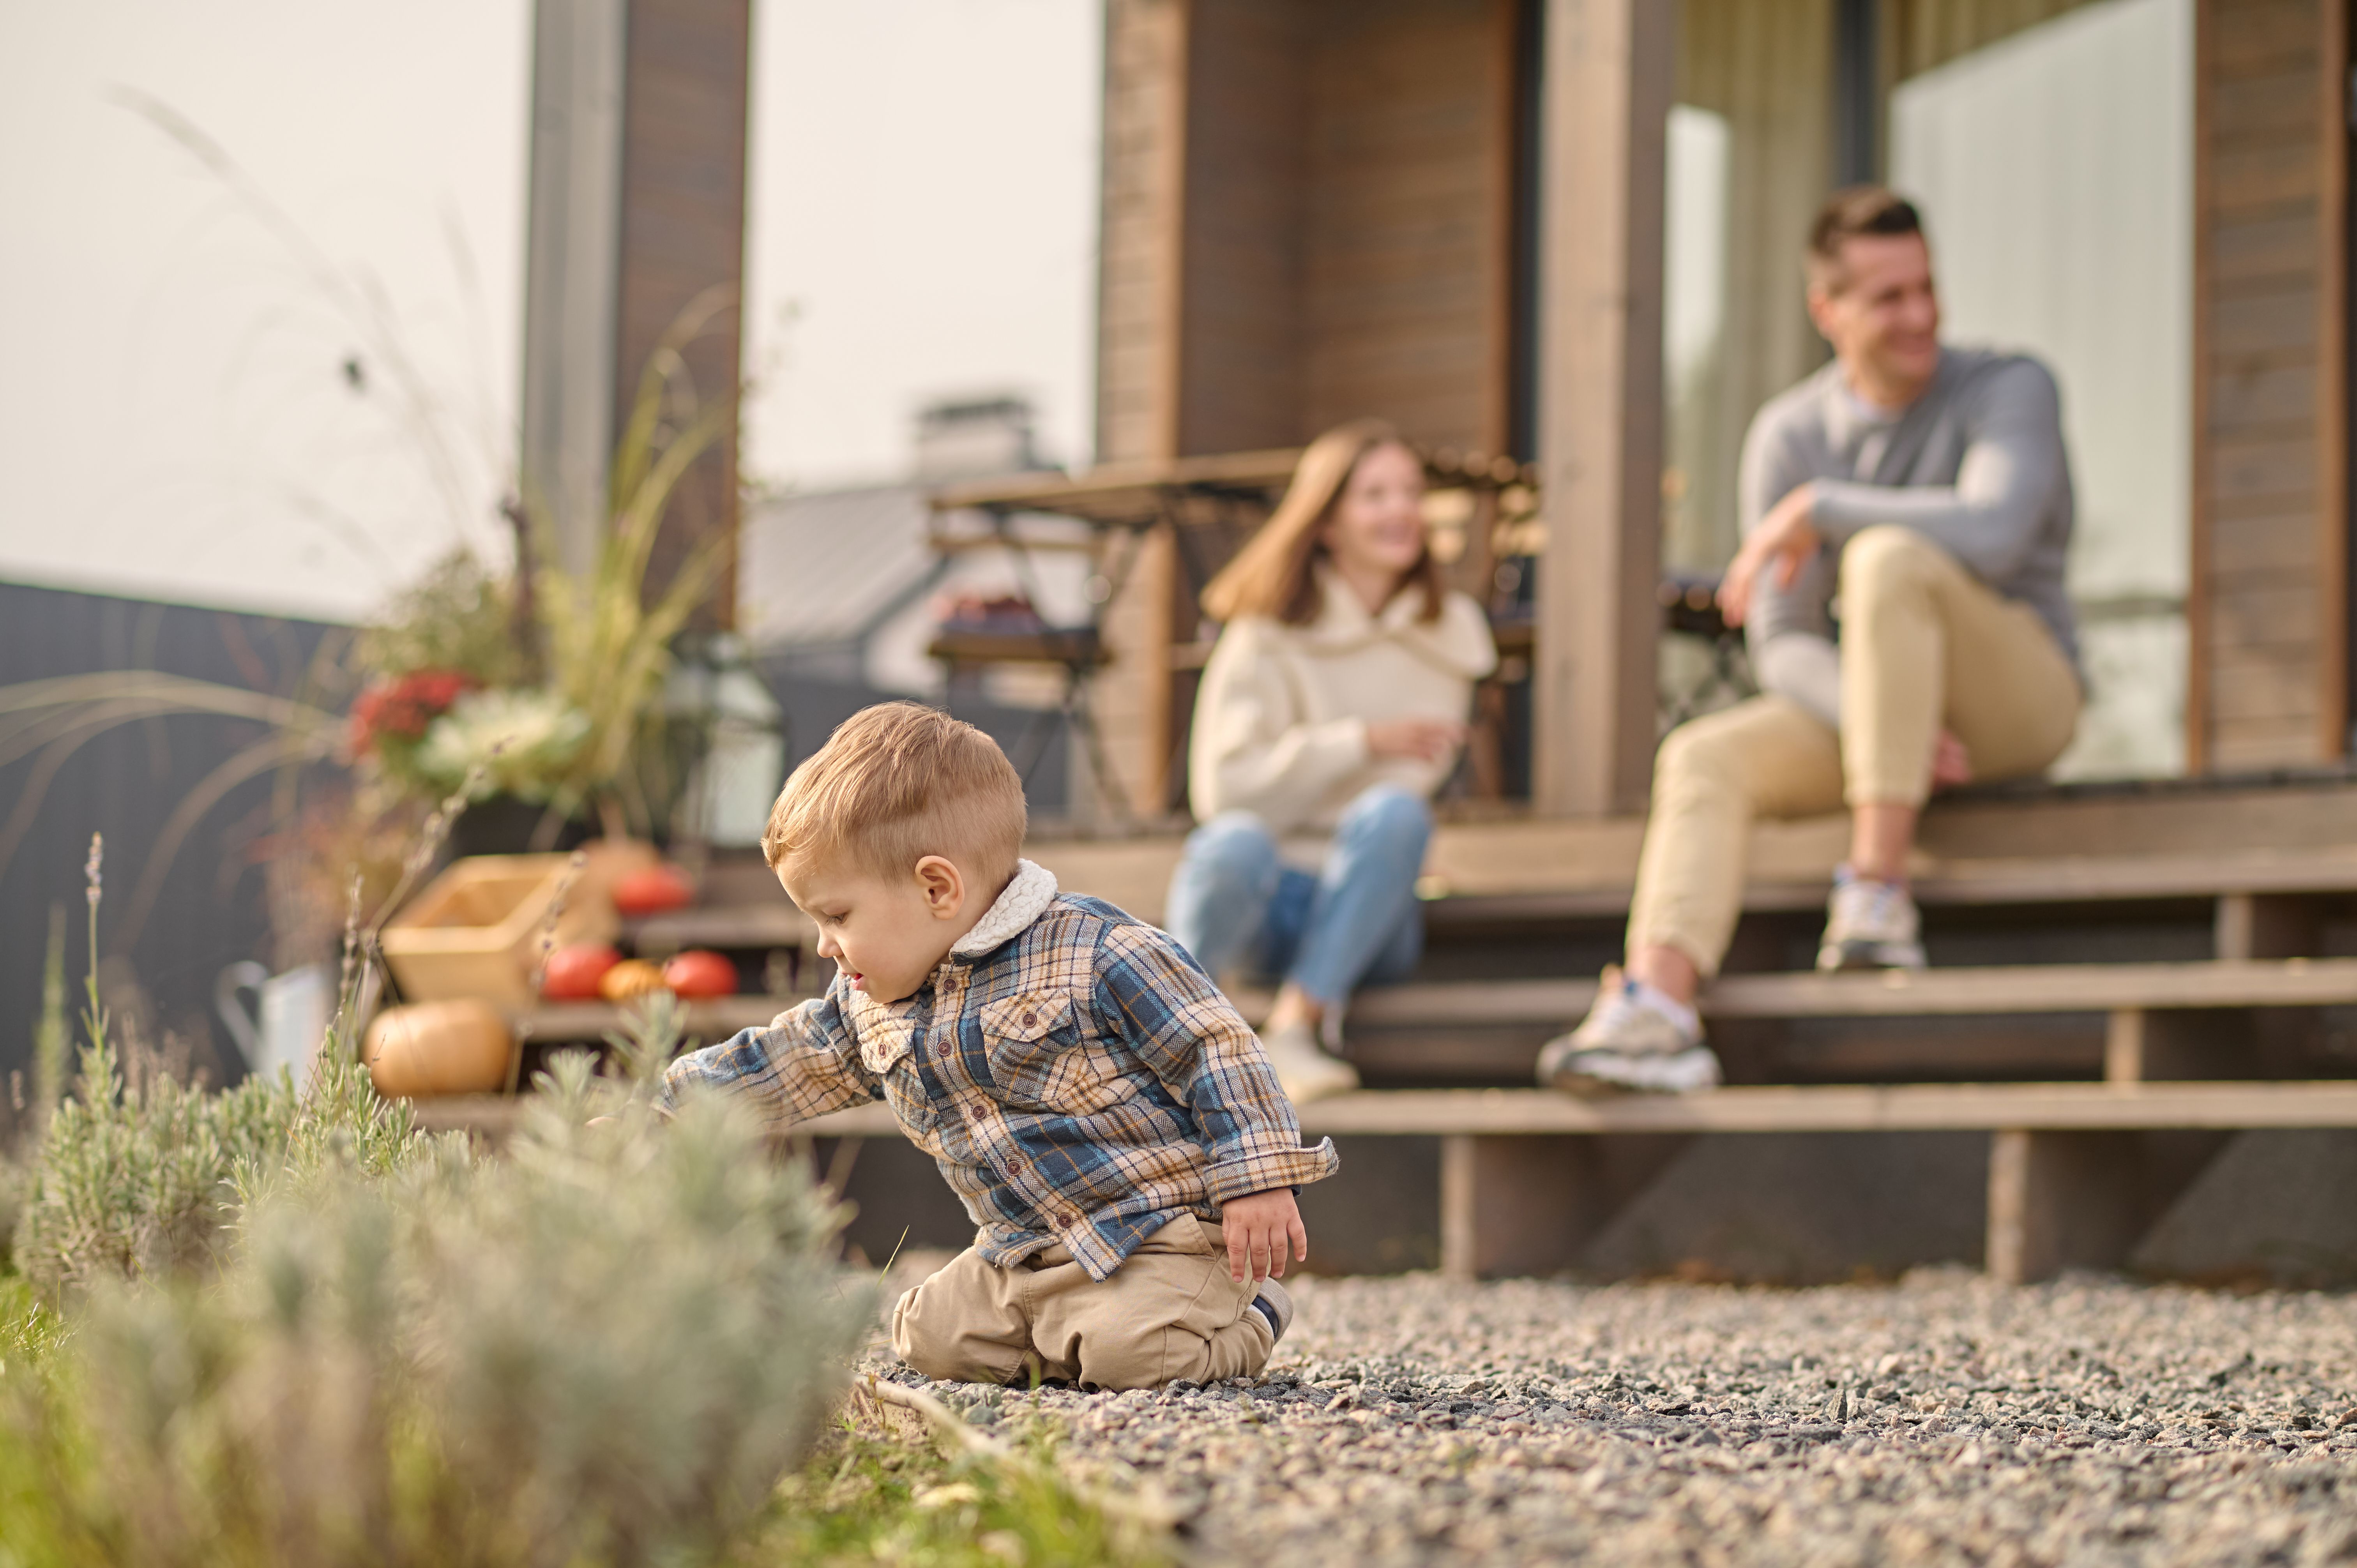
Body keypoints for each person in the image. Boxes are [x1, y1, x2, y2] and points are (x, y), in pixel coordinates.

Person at [1539, 186, 2082, 1096]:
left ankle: (1875, 891)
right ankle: (1657, 1008)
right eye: (1889, 297)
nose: (1921, 315)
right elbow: (1783, 642)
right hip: (1891, 727)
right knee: (1703, 755)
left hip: (2022, 699)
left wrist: (1822, 509)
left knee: (1885, 559)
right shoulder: (1789, 434)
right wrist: (1881, 725)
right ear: (1827, 311)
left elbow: (1995, 531)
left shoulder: (2010, 387)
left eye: (1926, 288)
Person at [661, 702, 1337, 1390]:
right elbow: (784, 1061)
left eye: (836, 916)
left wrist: (1257, 1178)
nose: (823, 945)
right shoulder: (869, 1008)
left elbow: (1215, 1048)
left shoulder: (1097, 952)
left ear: (937, 888)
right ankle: (1073, 1332)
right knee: (928, 1337)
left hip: (1163, 1238)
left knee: (1136, 1359)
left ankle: (1251, 1315)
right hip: (1023, 1253)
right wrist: (665, 1109)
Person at [1163, 420, 1499, 1103]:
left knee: (1397, 813)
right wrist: (1360, 743)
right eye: (1375, 495)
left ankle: (1297, 1026)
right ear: (1325, 522)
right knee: (1231, 843)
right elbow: (1225, 791)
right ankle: (1175, 1042)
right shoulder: (1263, 630)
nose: (1403, 510)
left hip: (1371, 912)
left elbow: (1410, 782)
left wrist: (1296, 779)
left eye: (1412, 493)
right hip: (1270, 900)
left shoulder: (1450, 628)